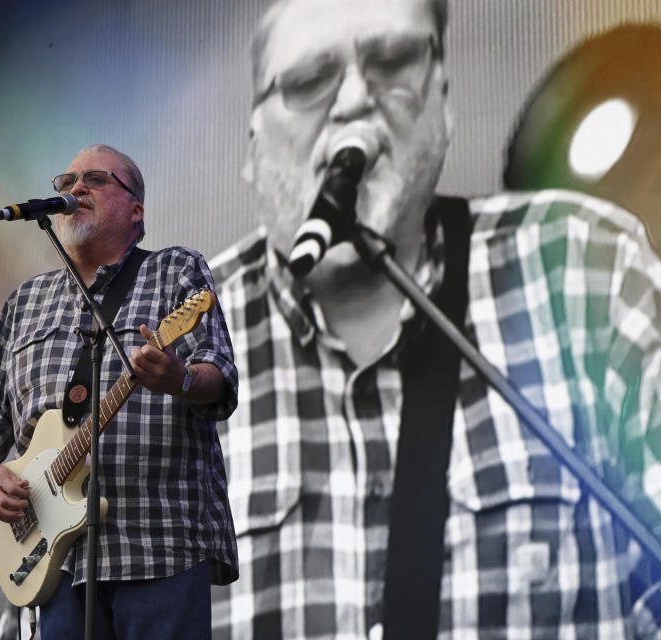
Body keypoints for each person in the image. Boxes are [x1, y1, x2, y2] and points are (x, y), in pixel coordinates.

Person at [208, 0, 661, 638]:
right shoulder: (169, 346)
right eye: (311, 81)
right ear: (252, 149)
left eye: (393, 62)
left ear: (443, 108)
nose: (354, 102)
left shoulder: (586, 270)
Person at [0, 143, 239, 639]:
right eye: (65, 183)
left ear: (136, 209)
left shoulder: (174, 271)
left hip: (159, 543)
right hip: (54, 565)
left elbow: (219, 374)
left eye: (96, 180)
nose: (74, 189)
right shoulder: (25, 302)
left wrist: (181, 379)